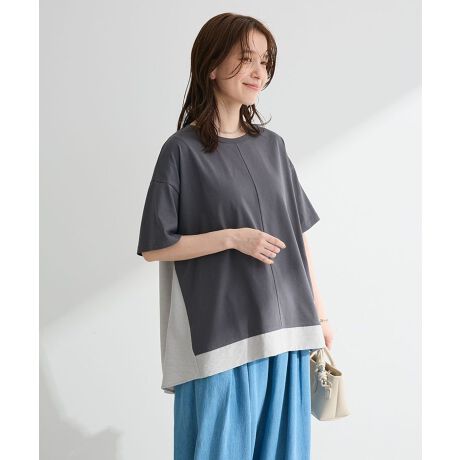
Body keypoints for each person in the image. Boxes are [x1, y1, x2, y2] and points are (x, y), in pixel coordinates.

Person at [136, 12, 334, 460]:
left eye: (265, 61)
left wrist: (321, 317)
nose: (258, 71)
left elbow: (298, 237)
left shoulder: (273, 146)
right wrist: (232, 238)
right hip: (221, 337)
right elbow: (154, 246)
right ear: (211, 65)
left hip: (289, 330)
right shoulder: (181, 151)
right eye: (246, 58)